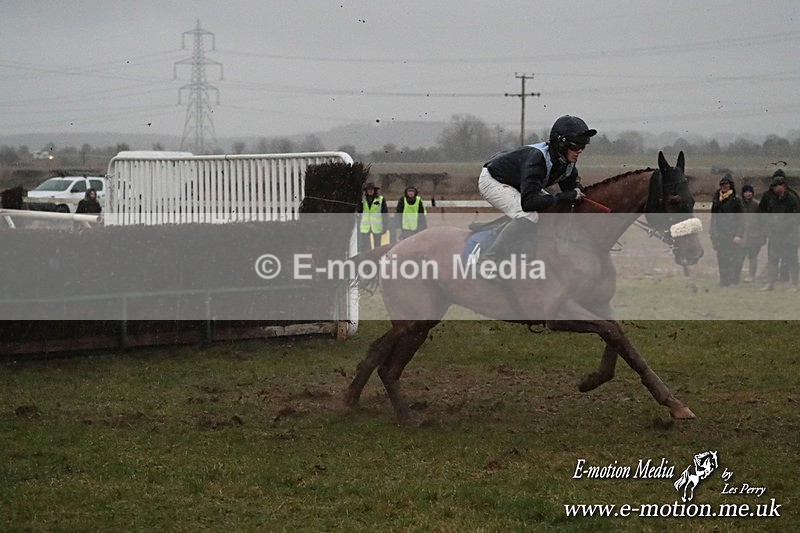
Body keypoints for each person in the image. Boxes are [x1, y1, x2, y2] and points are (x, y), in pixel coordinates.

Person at [478, 115, 596, 259]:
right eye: (575, 146)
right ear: (561, 143)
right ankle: (488, 258)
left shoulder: (567, 162)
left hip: (517, 181)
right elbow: (529, 203)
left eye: (583, 146)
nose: (580, 150)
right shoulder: (537, 158)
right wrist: (567, 196)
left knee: (551, 208)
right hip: (493, 180)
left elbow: (575, 192)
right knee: (529, 216)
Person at [758, 170, 800, 291]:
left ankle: (795, 284)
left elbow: (796, 217)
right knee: (772, 258)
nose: (774, 188)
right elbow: (765, 213)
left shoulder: (792, 198)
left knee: (791, 259)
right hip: (775, 234)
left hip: (790, 235)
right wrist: (768, 223)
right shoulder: (772, 198)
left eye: (776, 186)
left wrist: (783, 225)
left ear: (783, 186)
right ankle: (770, 283)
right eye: (773, 186)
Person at [708, 174, 744, 287]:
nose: (724, 186)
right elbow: (713, 218)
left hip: (733, 235)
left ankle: (733, 281)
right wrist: (713, 234)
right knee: (722, 259)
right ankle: (723, 281)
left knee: (734, 259)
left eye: (726, 184)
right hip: (720, 235)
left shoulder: (736, 200)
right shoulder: (716, 199)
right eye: (722, 184)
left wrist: (739, 234)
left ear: (730, 185)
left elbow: (741, 219)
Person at [739, 183, 763, 282]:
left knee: (753, 256)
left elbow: (762, 220)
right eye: (746, 192)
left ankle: (751, 276)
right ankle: (737, 274)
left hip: (754, 234)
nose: (748, 194)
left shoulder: (757, 205)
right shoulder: (739, 204)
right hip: (742, 234)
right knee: (740, 256)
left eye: (750, 192)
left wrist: (761, 235)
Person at [356, 182, 389, 252]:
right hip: (365, 227)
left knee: (377, 247)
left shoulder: (380, 199)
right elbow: (359, 210)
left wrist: (385, 225)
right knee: (365, 247)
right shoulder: (362, 199)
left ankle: (376, 257)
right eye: (368, 189)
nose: (370, 191)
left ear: (374, 190)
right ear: (366, 191)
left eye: (371, 189)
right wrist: (359, 205)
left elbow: (385, 213)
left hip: (377, 227)